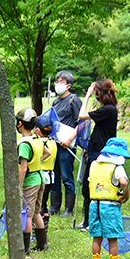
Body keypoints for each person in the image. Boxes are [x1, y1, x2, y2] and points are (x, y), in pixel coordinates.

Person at [77, 78, 119, 231]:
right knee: (87, 188)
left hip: (101, 154)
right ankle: (87, 220)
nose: (95, 95)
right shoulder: (108, 109)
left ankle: (92, 222)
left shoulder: (108, 109)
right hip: (94, 150)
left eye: (96, 93)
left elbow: (82, 115)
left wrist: (87, 96)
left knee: (93, 187)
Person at [87, 137, 130, 259]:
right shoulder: (117, 167)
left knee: (97, 236)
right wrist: (126, 194)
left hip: (94, 205)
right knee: (112, 237)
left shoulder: (94, 164)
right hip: (110, 206)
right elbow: (123, 182)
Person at [16, 108, 50, 254]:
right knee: (37, 212)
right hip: (41, 178)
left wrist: (18, 186)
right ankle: (42, 245)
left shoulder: (24, 143)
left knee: (28, 215)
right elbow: (47, 153)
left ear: (19, 124)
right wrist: (37, 164)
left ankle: (25, 249)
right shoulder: (36, 138)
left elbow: (23, 168)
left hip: (31, 182)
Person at [49, 70, 81, 218]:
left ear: (68, 85)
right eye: (56, 81)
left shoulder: (74, 100)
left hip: (67, 146)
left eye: (61, 82)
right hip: (54, 144)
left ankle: (68, 209)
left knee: (67, 176)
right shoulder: (56, 101)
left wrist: (69, 140)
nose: (57, 84)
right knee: (53, 175)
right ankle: (54, 207)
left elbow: (82, 123)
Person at [35, 115, 57, 234]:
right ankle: (44, 229)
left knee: (39, 206)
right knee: (44, 203)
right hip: (51, 176)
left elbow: (44, 154)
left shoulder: (40, 142)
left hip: (42, 175)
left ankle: (38, 231)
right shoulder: (52, 141)